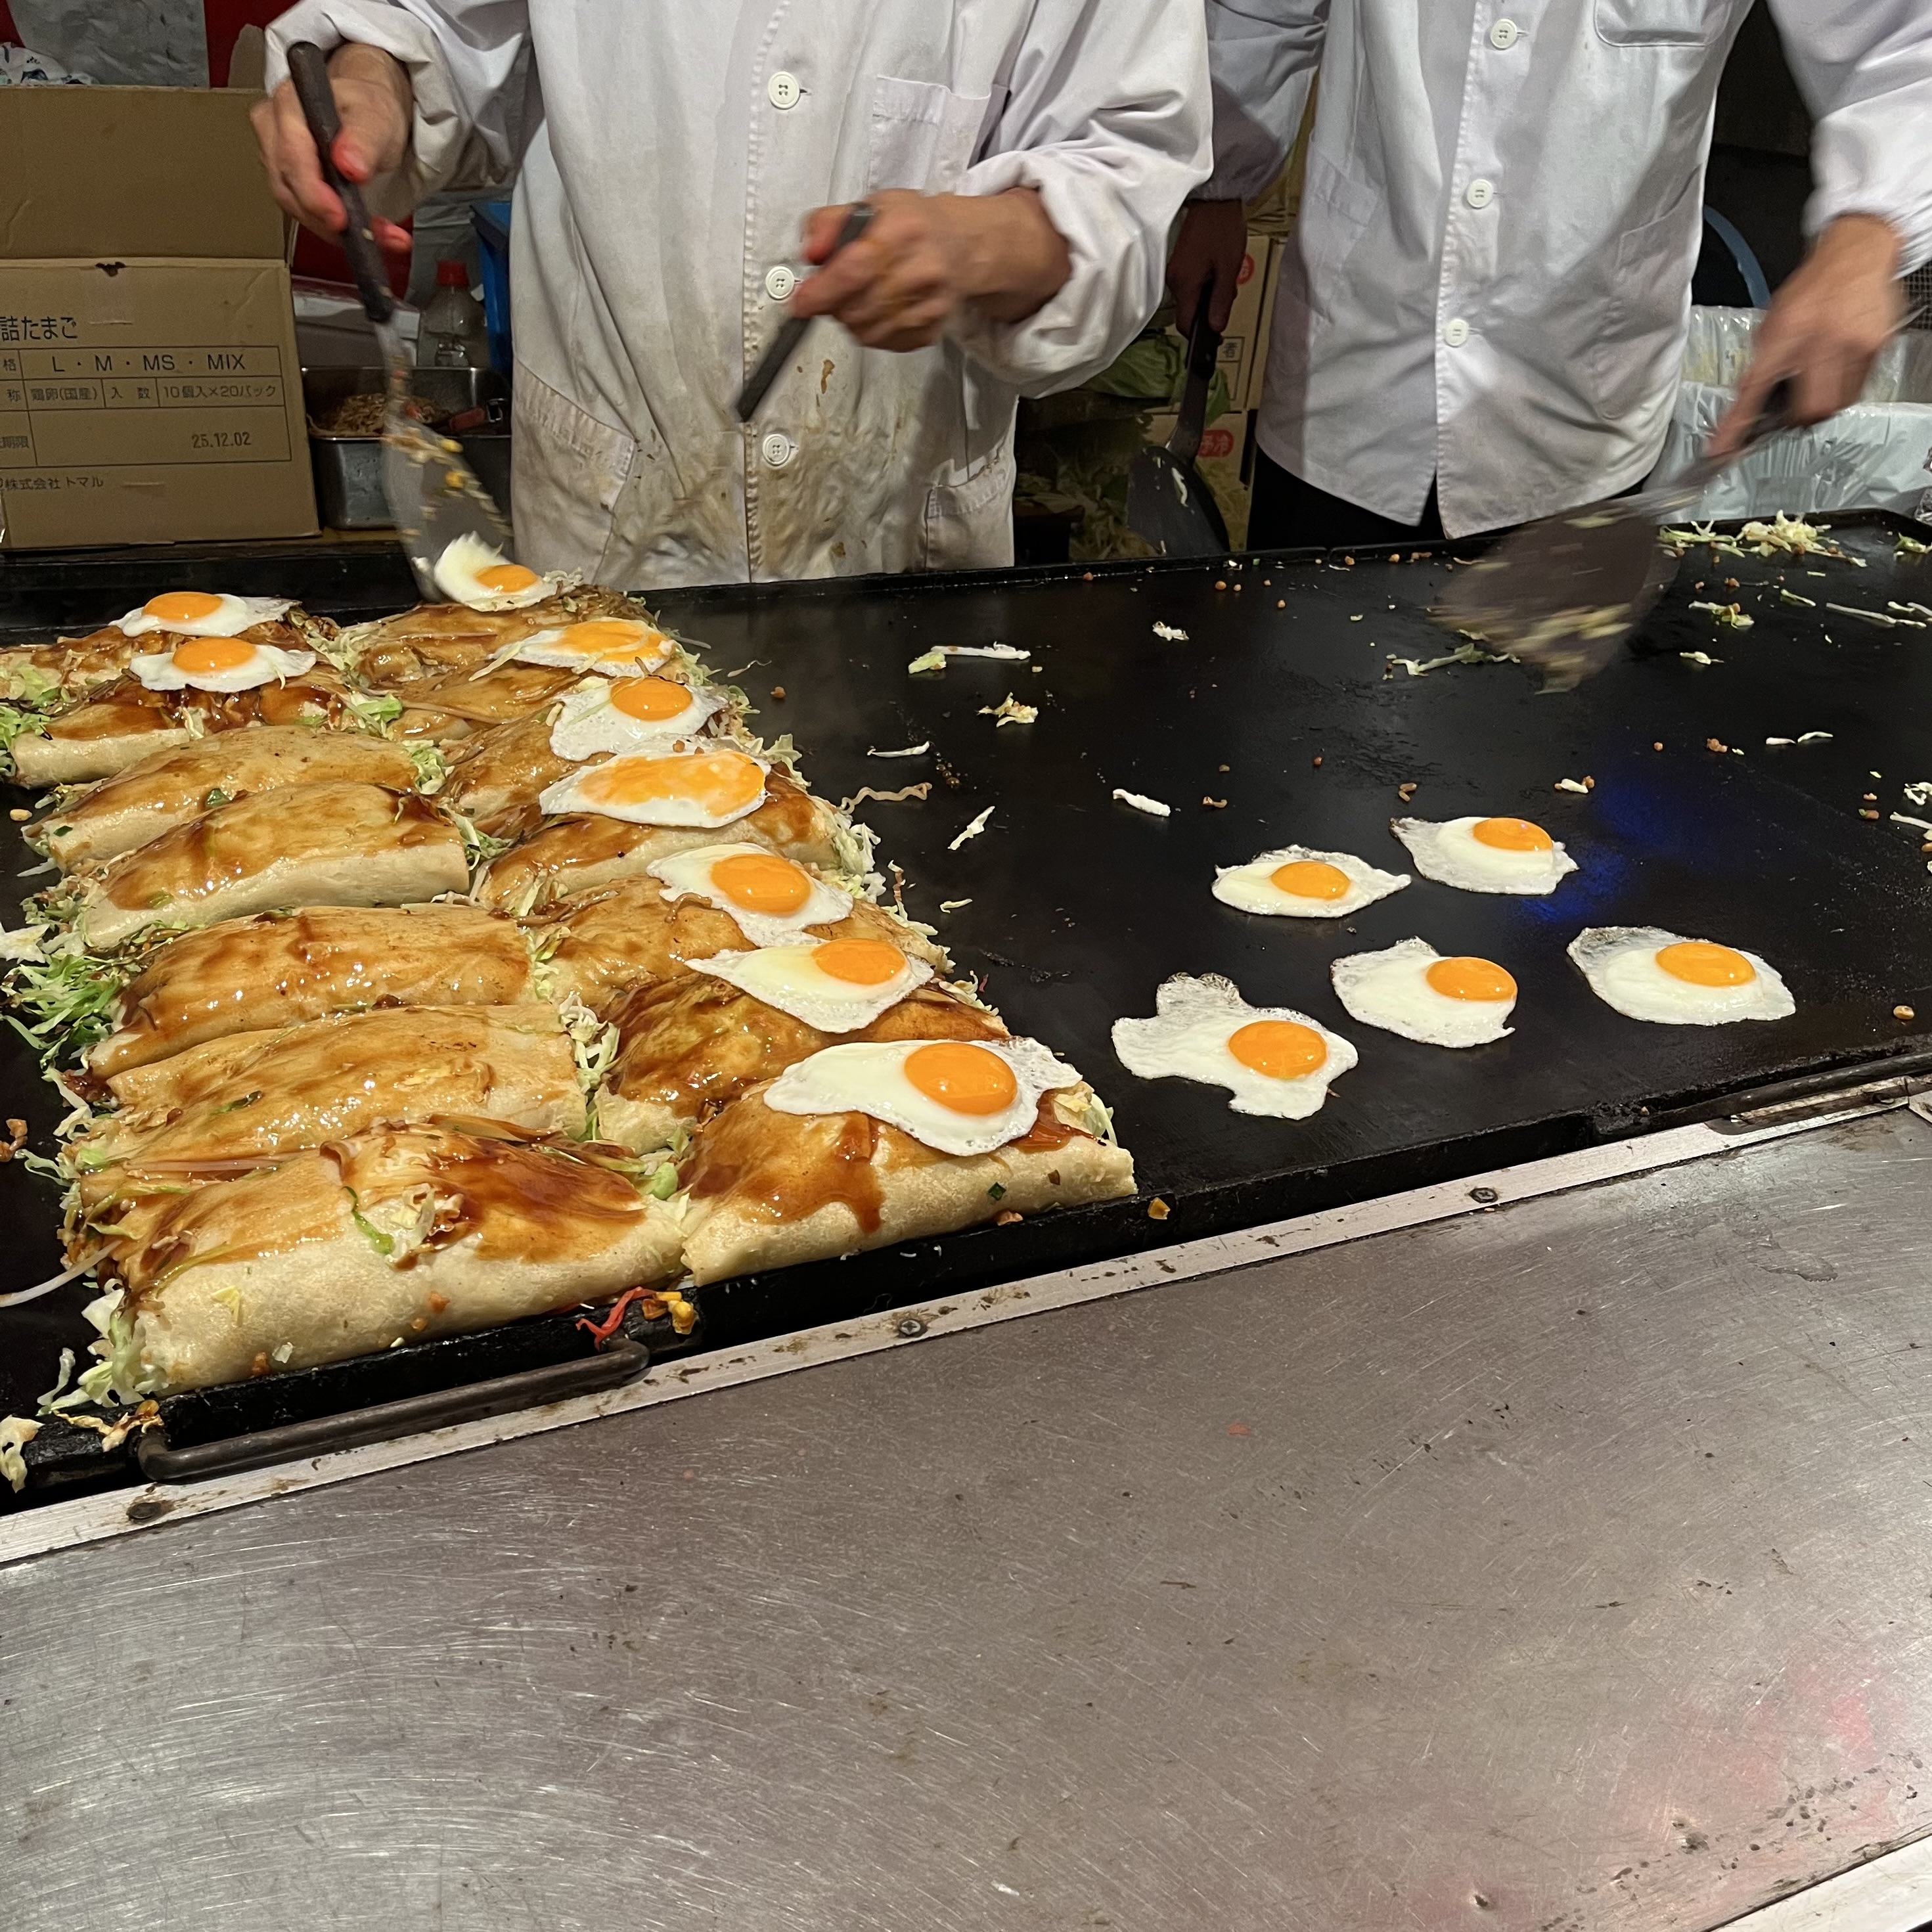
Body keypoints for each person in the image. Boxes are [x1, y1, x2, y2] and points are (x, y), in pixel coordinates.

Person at [254, 3, 1211, 585]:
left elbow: (1124, 167)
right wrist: (371, 71)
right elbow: (435, 20)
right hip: (603, 524)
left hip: (897, 549)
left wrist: (992, 239)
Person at [1167, 1, 1932, 550]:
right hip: (1352, 367)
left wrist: (1870, 231)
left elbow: (1902, 47)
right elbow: (1262, 11)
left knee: (1539, 762)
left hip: (1584, 401)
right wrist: (1222, 180)